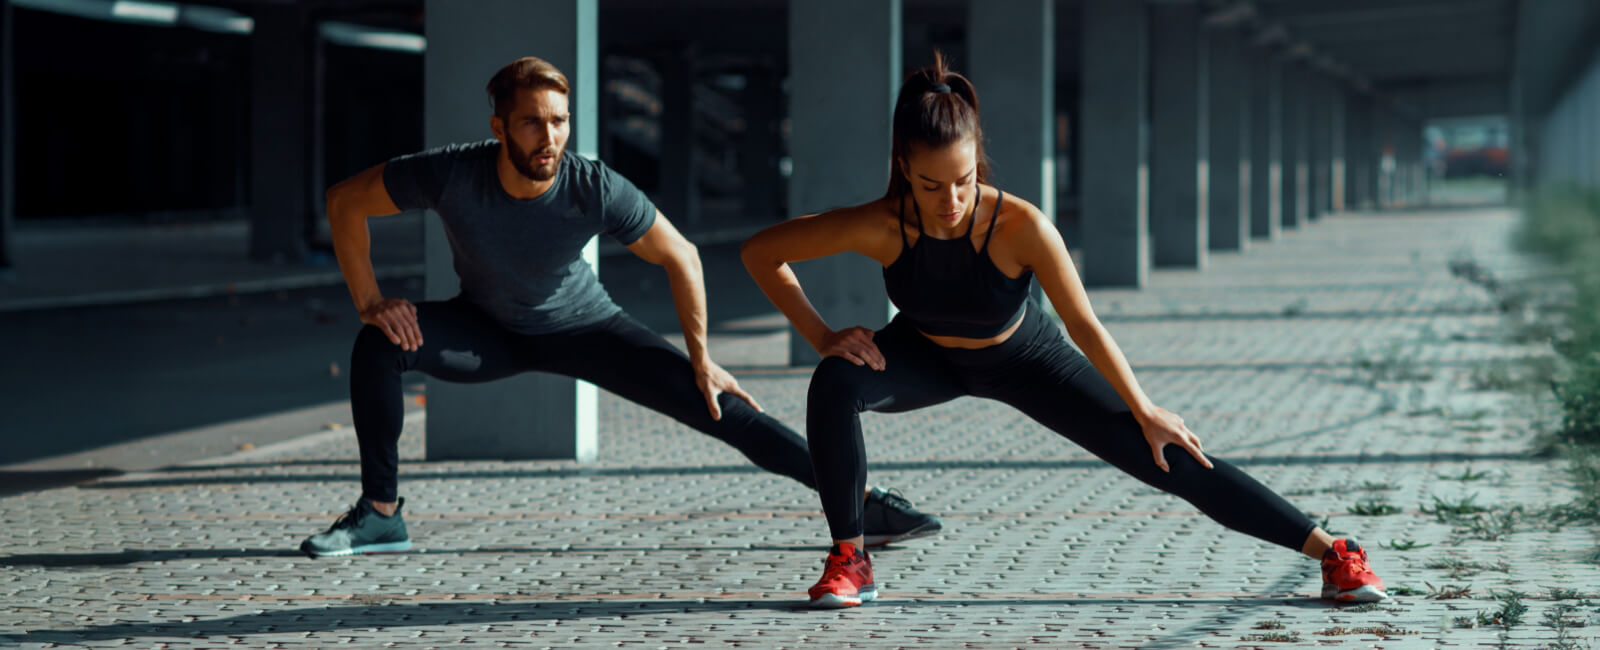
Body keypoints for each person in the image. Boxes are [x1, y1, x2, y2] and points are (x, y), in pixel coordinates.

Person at [740, 55, 1388, 609]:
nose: (950, 201)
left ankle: (1333, 551)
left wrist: (1146, 408)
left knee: (1166, 455)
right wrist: (822, 335)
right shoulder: (882, 224)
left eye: (964, 181)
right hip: (927, 355)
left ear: (978, 163)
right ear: (904, 166)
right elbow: (761, 253)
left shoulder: (1020, 226)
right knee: (833, 384)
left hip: (1029, 360)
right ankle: (850, 560)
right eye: (932, 184)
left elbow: (1082, 322)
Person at [300, 56, 941, 558]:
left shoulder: (592, 184)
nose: (549, 136)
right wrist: (371, 301)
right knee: (378, 345)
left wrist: (702, 358)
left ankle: (863, 504)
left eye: (559, 120)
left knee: (720, 406)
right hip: (485, 328)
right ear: (498, 126)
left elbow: (681, 255)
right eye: (531, 121)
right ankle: (382, 517)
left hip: (588, 328)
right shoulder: (451, 174)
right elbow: (344, 202)